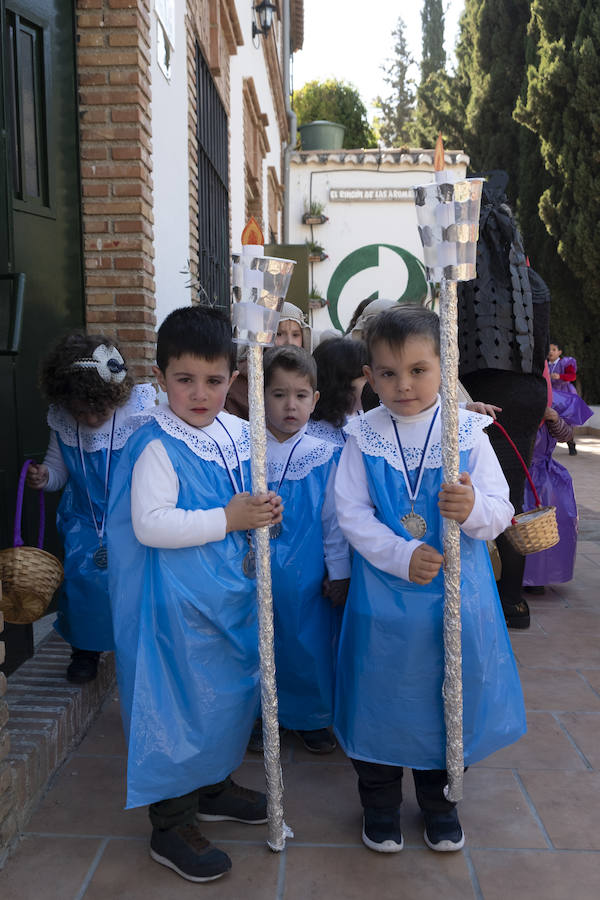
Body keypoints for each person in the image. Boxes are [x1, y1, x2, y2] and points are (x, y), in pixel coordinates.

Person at [334, 307, 526, 855]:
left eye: (419, 370)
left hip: (456, 603)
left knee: (448, 702)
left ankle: (441, 803)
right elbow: (350, 513)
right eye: (388, 373)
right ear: (368, 377)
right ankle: (379, 804)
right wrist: (399, 553)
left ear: (446, 367)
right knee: (381, 701)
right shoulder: (361, 435)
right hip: (384, 604)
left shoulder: (467, 433)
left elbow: (500, 510)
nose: (404, 385)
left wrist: (471, 509)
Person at [107, 306, 282, 883]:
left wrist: (263, 512)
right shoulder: (157, 444)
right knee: (179, 703)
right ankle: (171, 821)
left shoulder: (237, 432)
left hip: (227, 597)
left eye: (213, 380)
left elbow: (243, 495)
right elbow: (150, 525)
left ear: (233, 378)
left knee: (226, 697)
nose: (199, 394)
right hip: (174, 608)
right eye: (184, 380)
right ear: (160, 379)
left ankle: (212, 785)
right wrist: (230, 520)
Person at [25, 332, 155, 683]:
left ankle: (138, 648)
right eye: (82, 412)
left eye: (100, 410)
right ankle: (85, 650)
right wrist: (45, 476)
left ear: (115, 395)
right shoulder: (64, 422)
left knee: (132, 586)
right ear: (66, 405)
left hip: (129, 517)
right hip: (84, 519)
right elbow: (58, 469)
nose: (93, 418)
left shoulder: (138, 414)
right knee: (83, 586)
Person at [262, 345, 350, 753]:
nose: (290, 406)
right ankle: (262, 717)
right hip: (254, 568)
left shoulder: (327, 455)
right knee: (258, 642)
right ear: (260, 395)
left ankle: (310, 716)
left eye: (300, 396)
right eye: (278, 395)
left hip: (307, 572)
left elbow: (334, 520)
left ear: (315, 400)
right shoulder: (247, 451)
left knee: (306, 643)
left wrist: (338, 570)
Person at [523, 386, 592, 592]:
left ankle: (539, 575)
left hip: (544, 475)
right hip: (516, 470)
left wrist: (553, 418)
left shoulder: (555, 400)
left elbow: (565, 435)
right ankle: (513, 574)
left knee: (551, 521)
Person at [306, 337, 368, 449]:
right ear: (342, 383)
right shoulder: (310, 436)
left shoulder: (363, 419)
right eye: (365, 379)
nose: (373, 385)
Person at [547, 341, 585, 455]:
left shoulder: (566, 362)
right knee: (550, 419)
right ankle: (548, 447)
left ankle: (571, 444)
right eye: (549, 349)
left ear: (559, 352)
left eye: (554, 350)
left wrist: (560, 376)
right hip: (551, 394)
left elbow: (572, 376)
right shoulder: (545, 364)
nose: (551, 352)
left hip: (565, 395)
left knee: (566, 420)